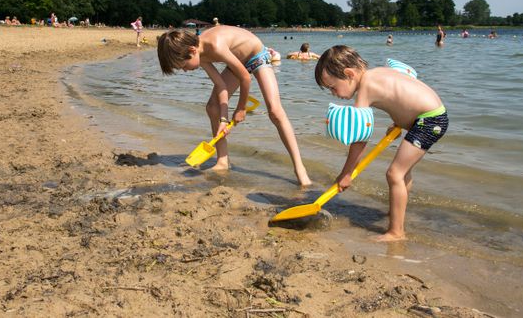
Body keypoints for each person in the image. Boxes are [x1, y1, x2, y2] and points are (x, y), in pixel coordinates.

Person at [314, 45, 448, 241]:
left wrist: (347, 173)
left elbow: (360, 138)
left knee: (395, 174)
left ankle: (396, 232)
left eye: (333, 87)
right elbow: (403, 94)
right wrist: (400, 121)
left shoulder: (365, 89)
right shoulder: (377, 73)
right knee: (403, 173)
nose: (334, 93)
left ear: (349, 74)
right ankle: (396, 213)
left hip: (429, 120)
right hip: (431, 115)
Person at [157, 26, 312, 186]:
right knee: (212, 107)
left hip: (257, 55)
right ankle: (222, 161)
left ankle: (299, 168)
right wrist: (224, 119)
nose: (184, 71)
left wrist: (241, 108)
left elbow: (245, 78)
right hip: (237, 62)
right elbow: (221, 86)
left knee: (275, 111)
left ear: (192, 50)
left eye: (183, 65)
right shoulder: (199, 54)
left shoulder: (215, 46)